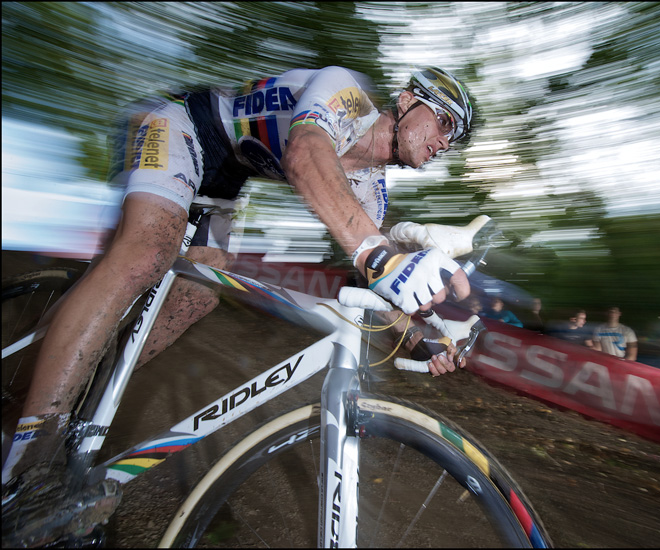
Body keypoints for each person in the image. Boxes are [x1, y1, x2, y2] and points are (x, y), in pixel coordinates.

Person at [2, 66, 476, 544]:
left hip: (225, 180)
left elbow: (370, 284)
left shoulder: (371, 189)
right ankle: (31, 460)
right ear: (409, 99)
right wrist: (379, 255)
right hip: (182, 124)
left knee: (197, 297)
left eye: (452, 138)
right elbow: (307, 151)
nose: (445, 143)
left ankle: (83, 376)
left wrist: (423, 341)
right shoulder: (347, 96)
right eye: (445, 124)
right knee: (147, 254)